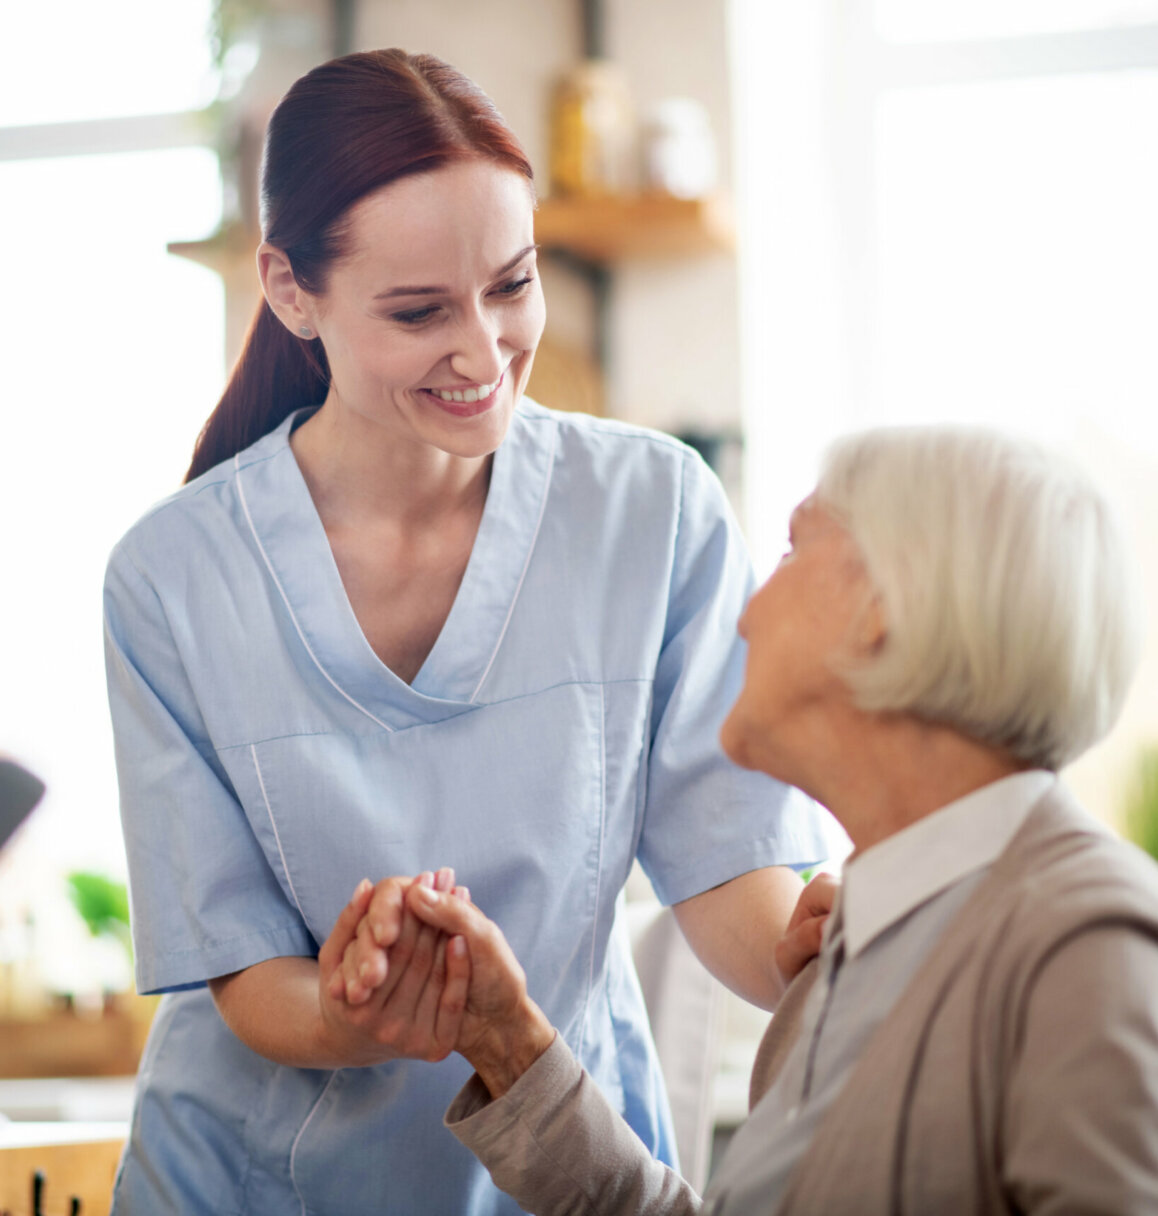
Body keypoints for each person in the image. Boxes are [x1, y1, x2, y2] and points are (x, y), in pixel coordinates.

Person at [101, 48, 830, 1214]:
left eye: (512, 283)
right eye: (418, 310)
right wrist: (352, 1011)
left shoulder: (654, 514)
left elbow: (730, 870)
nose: (485, 354)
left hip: (563, 1179)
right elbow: (242, 978)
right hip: (245, 1186)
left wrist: (810, 945)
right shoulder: (172, 578)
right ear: (290, 291)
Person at [357, 425, 1158, 1214]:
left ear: (884, 604)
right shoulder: (849, 955)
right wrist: (507, 1041)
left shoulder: (1091, 945)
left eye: (792, 552)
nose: (744, 614)